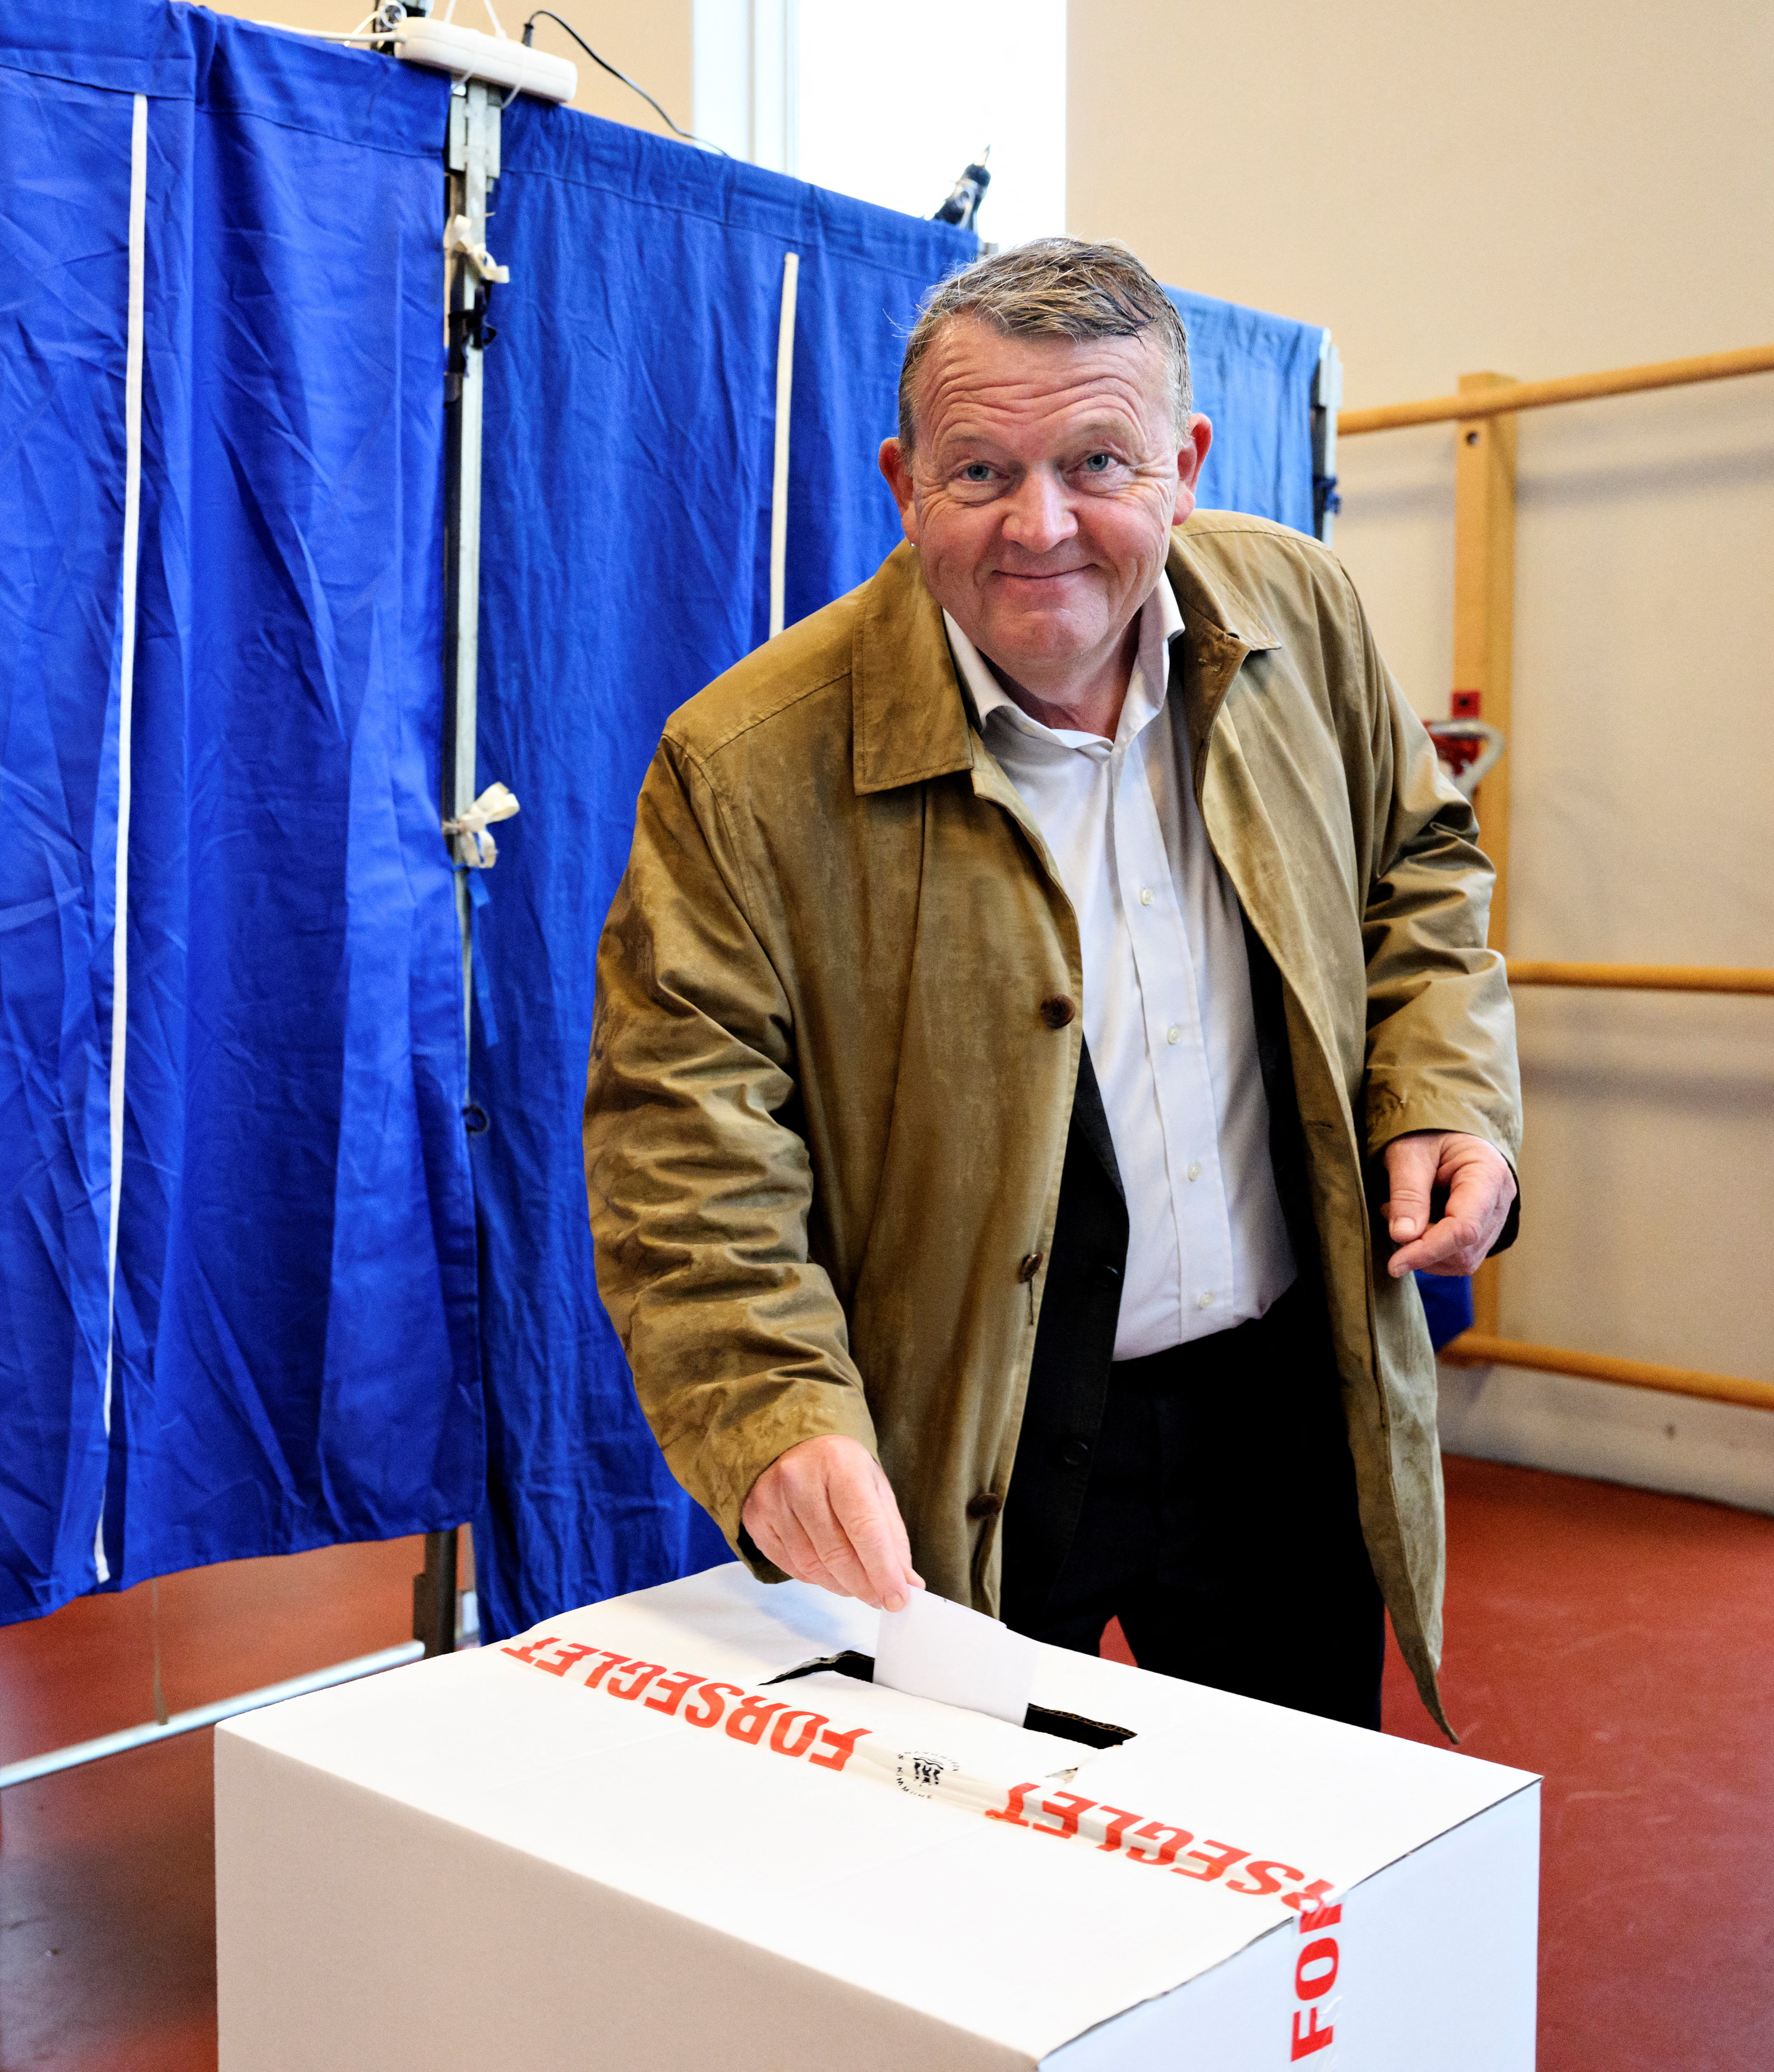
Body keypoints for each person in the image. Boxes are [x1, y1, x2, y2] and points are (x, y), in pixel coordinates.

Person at [583, 238, 1519, 1731]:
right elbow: (680, 1147)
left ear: (1186, 461)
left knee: (1282, 1858)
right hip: (961, 1445)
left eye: (1097, 460)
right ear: (900, 476)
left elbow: (1415, 863)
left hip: (1284, 1402)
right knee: (966, 1906)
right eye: (978, 471)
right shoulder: (745, 766)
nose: (1040, 526)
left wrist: (1443, 1090)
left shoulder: (1299, 615)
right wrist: (771, 1411)